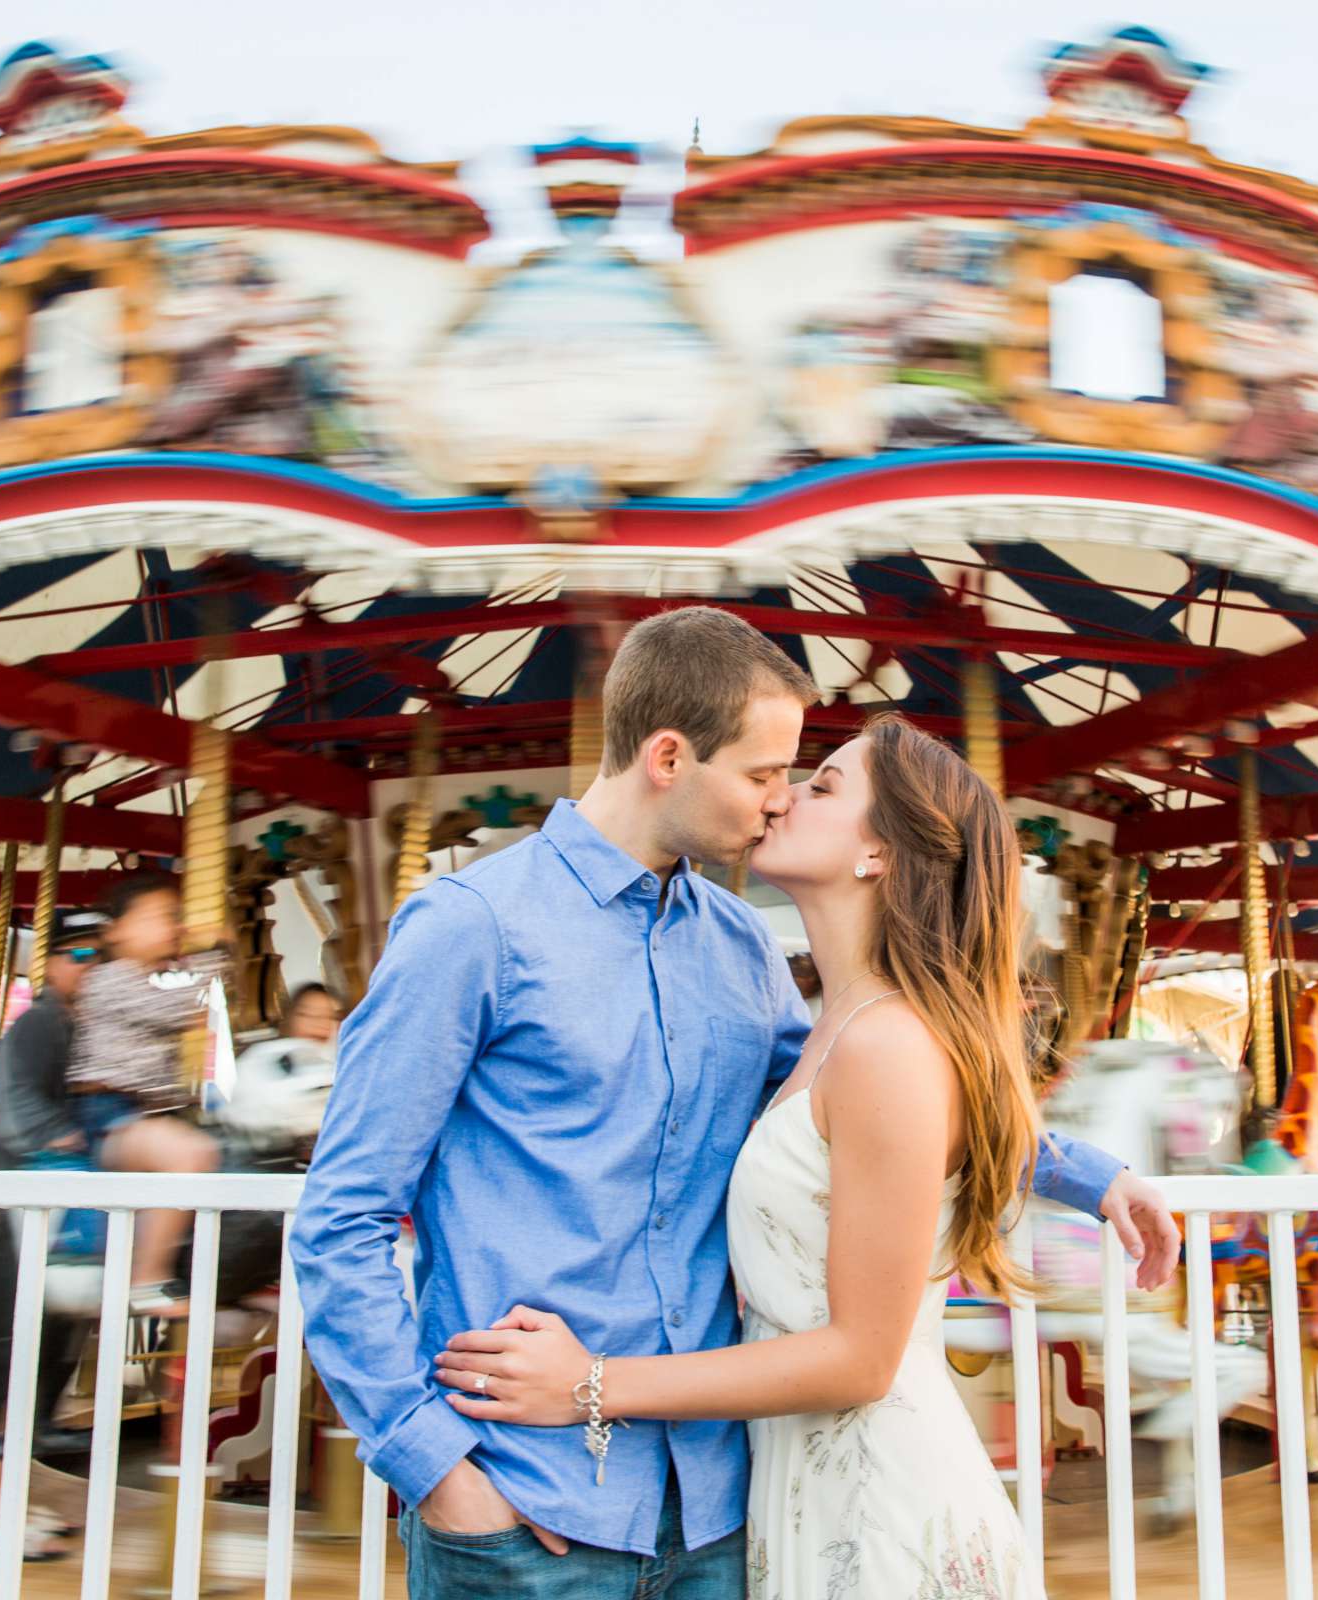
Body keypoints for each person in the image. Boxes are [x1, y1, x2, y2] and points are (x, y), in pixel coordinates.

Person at [292, 607, 1178, 1598]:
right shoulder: (473, 928)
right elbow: (343, 1214)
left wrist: (1084, 1172)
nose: (777, 802)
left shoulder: (739, 944)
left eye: (799, 780)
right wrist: (437, 1471)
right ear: (668, 756)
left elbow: (882, 1106)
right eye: (763, 774)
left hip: (718, 1507)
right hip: (529, 1498)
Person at [0, 908, 106, 1562]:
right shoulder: (40, 1022)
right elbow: (17, 1106)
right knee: (14, 1365)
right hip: (23, 1209)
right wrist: (64, 1142)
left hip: (58, 1211)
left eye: (99, 956)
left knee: (47, 1367)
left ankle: (14, 1503)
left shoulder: (85, 1030)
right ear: (50, 965)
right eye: (79, 956)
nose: (91, 967)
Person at [63, 873, 226, 1317]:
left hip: (144, 1114)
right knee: (191, 1155)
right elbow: (181, 1006)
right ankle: (148, 1279)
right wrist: (215, 955)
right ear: (116, 930)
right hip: (110, 1115)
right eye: (161, 917)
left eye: (175, 918)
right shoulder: (110, 979)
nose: (173, 927)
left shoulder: (154, 977)